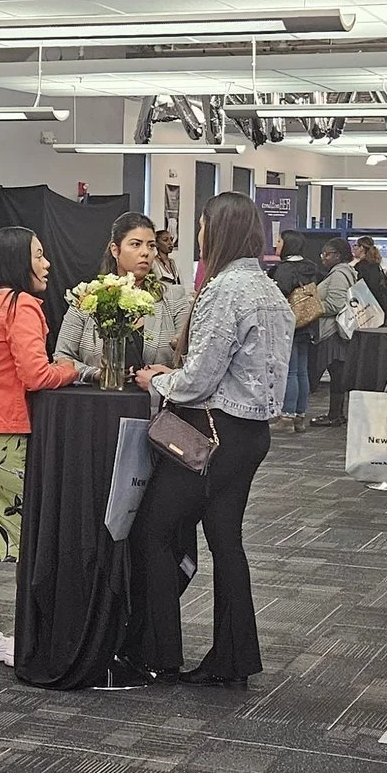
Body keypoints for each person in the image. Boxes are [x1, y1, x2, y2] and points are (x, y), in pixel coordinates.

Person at [130, 193, 293, 684]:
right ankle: (233, 658)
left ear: (216, 231)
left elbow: (198, 379)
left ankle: (157, 653)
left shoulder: (225, 290)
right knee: (226, 542)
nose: (198, 235)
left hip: (212, 433)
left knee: (152, 531)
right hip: (250, 434)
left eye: (201, 226)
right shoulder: (269, 289)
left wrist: (158, 380)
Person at [0, 228, 93, 666]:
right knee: (40, 529)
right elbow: (36, 374)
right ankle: (37, 636)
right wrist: (71, 369)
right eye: (39, 255)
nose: (47, 264)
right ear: (16, 261)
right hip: (5, 435)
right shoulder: (21, 305)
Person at [55, 213, 191, 372]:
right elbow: (62, 357)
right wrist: (96, 374)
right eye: (136, 244)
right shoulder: (88, 297)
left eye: (151, 245)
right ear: (115, 250)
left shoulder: (174, 297)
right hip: (97, 388)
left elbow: (191, 362)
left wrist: (161, 377)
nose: (145, 252)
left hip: (154, 388)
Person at [268, 230, 323, 432]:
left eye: (280, 240)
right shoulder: (311, 267)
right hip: (308, 324)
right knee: (302, 371)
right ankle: (300, 416)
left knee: (289, 371)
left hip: (289, 324)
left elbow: (278, 295)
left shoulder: (284, 269)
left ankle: (287, 417)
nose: (277, 244)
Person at [310, 237, 358, 427]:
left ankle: (335, 415)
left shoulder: (338, 274)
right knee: (338, 372)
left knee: (337, 372)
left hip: (334, 332)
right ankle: (336, 413)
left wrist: (312, 307)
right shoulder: (346, 272)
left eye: (327, 254)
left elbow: (336, 304)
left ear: (338, 255)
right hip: (339, 331)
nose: (323, 257)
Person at [352, 236, 387, 319]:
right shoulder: (376, 265)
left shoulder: (361, 267)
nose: (353, 248)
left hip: (368, 308)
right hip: (380, 306)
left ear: (361, 248)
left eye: (355, 245)